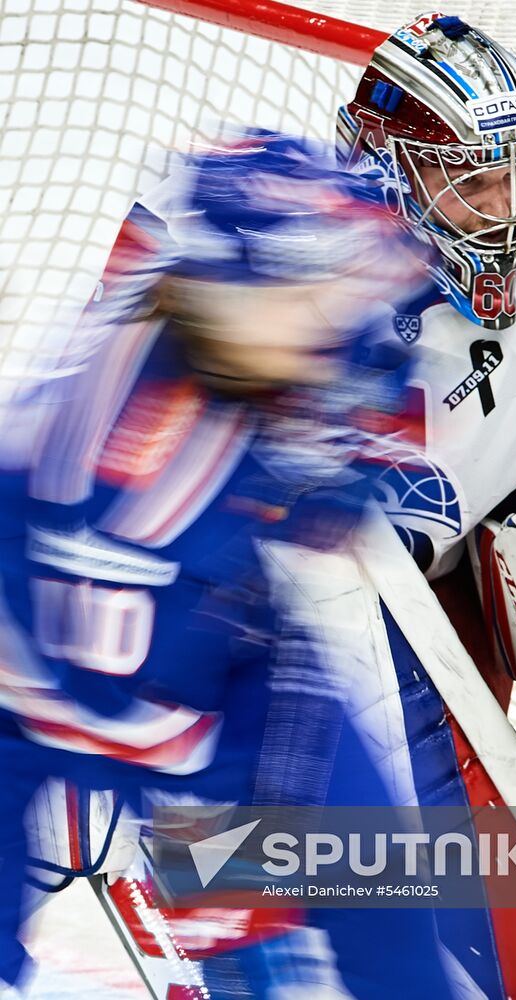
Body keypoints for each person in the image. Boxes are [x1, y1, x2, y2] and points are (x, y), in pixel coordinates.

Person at [0, 131, 429, 995]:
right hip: (68, 687)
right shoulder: (117, 482)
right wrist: (234, 879)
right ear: (211, 286)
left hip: (206, 650)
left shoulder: (250, 329)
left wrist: (344, 449)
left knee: (382, 896)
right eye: (305, 293)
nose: (330, 314)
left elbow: (371, 380)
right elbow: (116, 717)